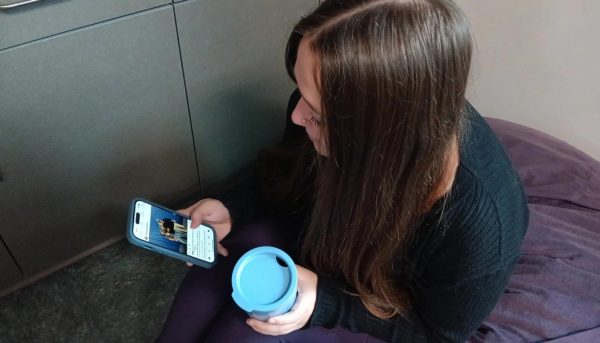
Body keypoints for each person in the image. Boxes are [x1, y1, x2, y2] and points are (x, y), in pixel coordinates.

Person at [156, 0, 529, 342]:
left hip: (378, 303)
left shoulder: (481, 225)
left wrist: (328, 302)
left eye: (317, 115)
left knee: (243, 334)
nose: (297, 116)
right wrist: (233, 206)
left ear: (381, 137)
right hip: (327, 242)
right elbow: (287, 174)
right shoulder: (317, 109)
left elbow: (437, 335)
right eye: (299, 90)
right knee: (223, 266)